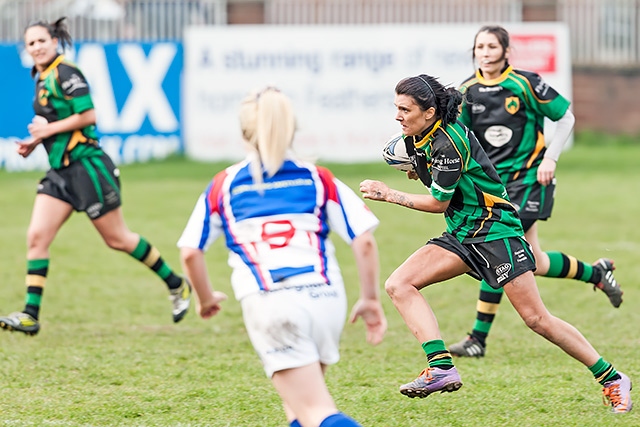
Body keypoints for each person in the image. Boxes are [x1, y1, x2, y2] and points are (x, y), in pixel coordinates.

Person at [359, 73, 631, 413]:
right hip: (462, 232)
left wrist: (389, 194)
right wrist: (419, 168)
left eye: (405, 109)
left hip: (494, 232)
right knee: (400, 284)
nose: (397, 115)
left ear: (429, 112)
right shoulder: (418, 137)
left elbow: (438, 203)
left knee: (537, 319)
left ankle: (612, 377)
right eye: (396, 107)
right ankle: (441, 366)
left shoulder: (448, 142)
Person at [177, 86, 387, 427]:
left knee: (317, 412)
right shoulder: (319, 178)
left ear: (244, 132)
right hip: (326, 297)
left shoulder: (225, 185)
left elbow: (190, 252)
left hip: (272, 303)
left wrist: (205, 299)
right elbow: (363, 241)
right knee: (299, 410)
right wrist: (370, 299)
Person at [0, 17, 191, 336]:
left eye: (41, 41)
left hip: (88, 167)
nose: (36, 47)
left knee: (118, 239)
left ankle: (176, 284)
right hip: (60, 171)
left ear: (54, 42)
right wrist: (36, 141)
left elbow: (88, 115)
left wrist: (46, 130)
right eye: (30, 43)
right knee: (36, 237)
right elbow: (57, 124)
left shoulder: (66, 72)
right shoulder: (42, 76)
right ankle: (31, 314)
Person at [448, 24, 623, 358]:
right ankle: (597, 273)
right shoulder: (467, 90)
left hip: (530, 180)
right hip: (494, 186)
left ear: (506, 52)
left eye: (491, 47)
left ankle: (477, 339)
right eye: (479, 47)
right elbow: (461, 137)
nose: (484, 53)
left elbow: (566, 118)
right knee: (535, 261)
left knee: (497, 245)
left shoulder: (524, 83)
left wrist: (550, 159)